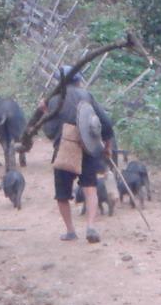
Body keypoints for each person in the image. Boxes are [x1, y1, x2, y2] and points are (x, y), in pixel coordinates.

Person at [40, 65, 114, 243]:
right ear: (78, 80)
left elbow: (50, 132)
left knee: (62, 194)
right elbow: (106, 123)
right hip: (88, 147)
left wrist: (45, 112)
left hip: (64, 150)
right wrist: (107, 146)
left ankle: (71, 231)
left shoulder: (54, 100)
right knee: (90, 188)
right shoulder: (87, 96)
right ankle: (90, 226)